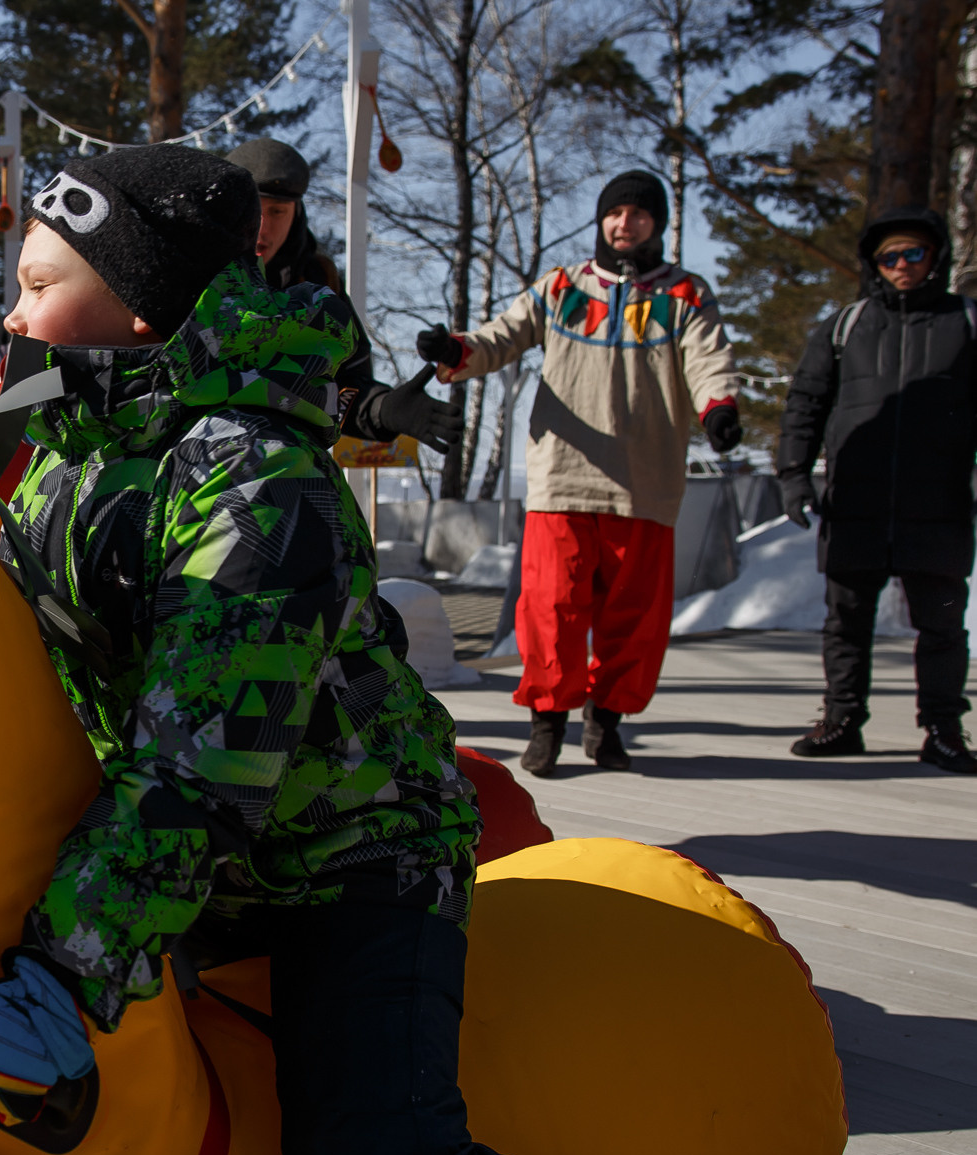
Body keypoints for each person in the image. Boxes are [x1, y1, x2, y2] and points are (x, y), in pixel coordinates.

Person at [0, 144, 766, 1155]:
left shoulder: (255, 485)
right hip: (175, 840)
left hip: (343, 855)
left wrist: (62, 972)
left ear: (138, 309)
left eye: (39, 284)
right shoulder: (53, 427)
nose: (12, 311)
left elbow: (201, 769)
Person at [416, 170, 742, 775]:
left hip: (645, 485)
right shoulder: (563, 287)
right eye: (616, 213)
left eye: (640, 215)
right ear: (601, 220)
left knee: (633, 619)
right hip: (563, 479)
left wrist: (718, 407)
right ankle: (547, 724)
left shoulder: (685, 296)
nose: (626, 224)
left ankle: (606, 722)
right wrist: (456, 350)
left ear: (658, 226)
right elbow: (502, 337)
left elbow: (709, 359)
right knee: (551, 611)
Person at [775, 207, 976, 773]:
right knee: (845, 622)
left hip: (938, 504)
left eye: (913, 254)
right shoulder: (847, 325)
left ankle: (943, 731)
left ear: (934, 257)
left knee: (941, 624)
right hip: (855, 500)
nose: (902, 266)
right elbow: (805, 404)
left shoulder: (966, 321)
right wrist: (793, 475)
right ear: (875, 264)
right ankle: (841, 722)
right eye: (890, 257)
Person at [227, 137, 461, 454]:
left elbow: (345, 384)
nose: (263, 228)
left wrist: (382, 408)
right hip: (195, 469)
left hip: (288, 471)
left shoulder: (320, 282)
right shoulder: (193, 277)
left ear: (296, 214)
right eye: (255, 210)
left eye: (278, 212)